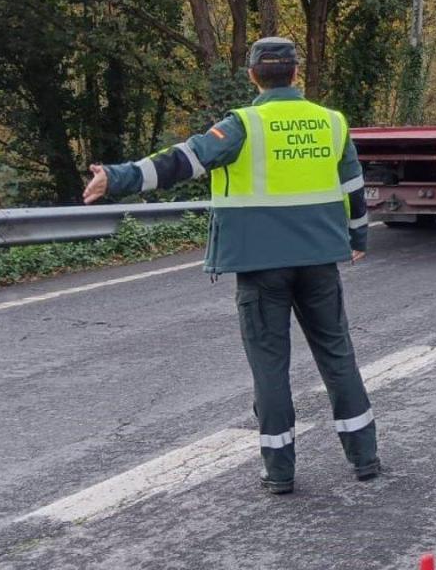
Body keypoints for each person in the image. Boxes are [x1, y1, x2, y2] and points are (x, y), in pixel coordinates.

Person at [84, 37, 378, 495]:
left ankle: (280, 473)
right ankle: (365, 459)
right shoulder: (331, 122)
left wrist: (115, 176)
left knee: (270, 368)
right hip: (320, 261)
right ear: (297, 74)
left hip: (260, 268)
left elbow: (181, 162)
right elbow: (354, 186)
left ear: (253, 76)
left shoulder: (242, 126)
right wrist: (358, 236)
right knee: (338, 357)